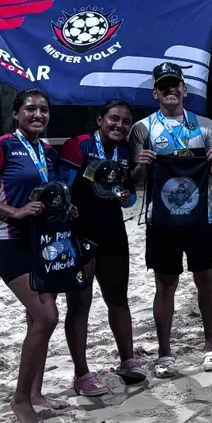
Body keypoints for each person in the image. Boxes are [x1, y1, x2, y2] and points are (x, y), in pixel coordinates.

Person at [0, 89, 68, 423]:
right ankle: (20, 400)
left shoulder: (48, 152)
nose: (38, 115)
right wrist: (14, 211)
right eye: (30, 109)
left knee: (36, 320)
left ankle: (36, 393)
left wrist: (65, 208)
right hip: (10, 241)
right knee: (47, 317)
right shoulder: (2, 146)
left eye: (44, 110)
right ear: (16, 114)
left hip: (44, 243)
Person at [129, 62, 212, 378]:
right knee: (165, 285)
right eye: (164, 85)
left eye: (175, 84)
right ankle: (164, 353)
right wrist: (141, 166)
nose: (170, 90)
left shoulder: (205, 126)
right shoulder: (142, 129)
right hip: (162, 221)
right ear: (155, 92)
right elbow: (134, 180)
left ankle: (211, 347)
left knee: (206, 281)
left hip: (202, 217)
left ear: (184, 89)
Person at [58, 99, 145, 396]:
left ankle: (128, 360)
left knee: (118, 299)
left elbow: (129, 194)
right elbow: (62, 188)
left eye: (125, 121)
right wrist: (66, 208)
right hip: (79, 234)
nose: (119, 125)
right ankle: (81, 373)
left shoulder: (124, 152)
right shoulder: (79, 145)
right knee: (79, 304)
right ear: (100, 119)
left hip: (113, 233)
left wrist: (127, 198)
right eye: (114, 118)